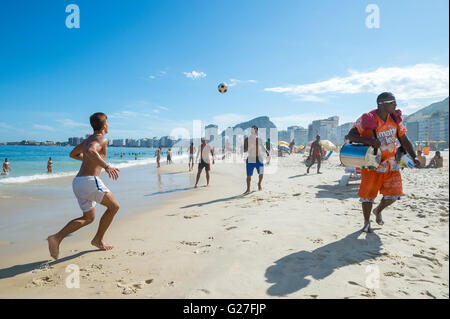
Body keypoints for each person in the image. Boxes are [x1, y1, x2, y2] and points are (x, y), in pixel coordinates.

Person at [47, 113, 120, 260]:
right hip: (89, 181)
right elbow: (91, 151)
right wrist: (106, 166)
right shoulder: (101, 139)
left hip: (78, 182)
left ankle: (56, 238)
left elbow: (73, 154)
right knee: (114, 207)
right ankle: (98, 240)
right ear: (105, 125)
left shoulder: (88, 140)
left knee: (88, 217)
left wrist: (88, 160)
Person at [347, 92, 420, 233]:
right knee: (368, 195)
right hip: (372, 163)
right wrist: (369, 141)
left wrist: (414, 156)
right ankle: (366, 222)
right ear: (381, 103)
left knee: (394, 194)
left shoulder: (395, 119)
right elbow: (351, 135)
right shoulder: (367, 119)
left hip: (391, 164)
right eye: (392, 101)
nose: (395, 104)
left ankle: (378, 210)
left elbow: (404, 139)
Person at [244, 125, 269, 194]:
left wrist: (267, 152)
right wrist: (249, 147)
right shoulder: (247, 139)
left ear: (257, 131)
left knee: (261, 173)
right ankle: (248, 189)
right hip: (250, 159)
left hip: (259, 158)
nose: (253, 131)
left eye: (254, 130)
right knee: (248, 175)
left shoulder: (259, 139)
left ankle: (259, 184)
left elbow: (263, 147)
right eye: (252, 130)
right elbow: (244, 150)